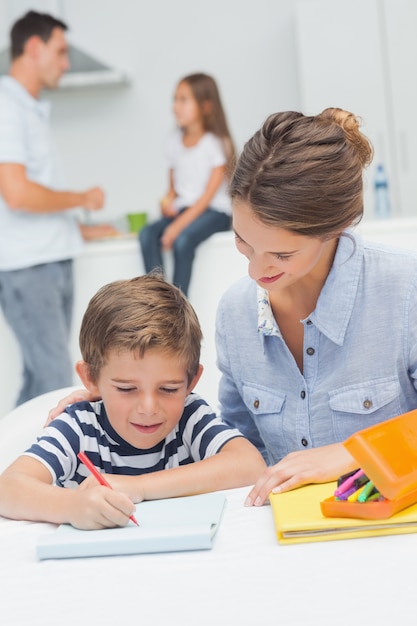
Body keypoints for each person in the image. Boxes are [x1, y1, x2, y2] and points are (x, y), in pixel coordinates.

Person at [50, 108, 417, 510]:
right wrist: (109, 406)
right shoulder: (237, 312)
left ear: (336, 227)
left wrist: (352, 453)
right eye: (243, 241)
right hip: (280, 535)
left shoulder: (404, 289)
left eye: (282, 253)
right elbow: (237, 451)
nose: (256, 270)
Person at [0, 273, 266, 529]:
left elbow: (250, 465)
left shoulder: (189, 416)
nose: (149, 408)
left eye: (169, 389)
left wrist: (139, 487)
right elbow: (7, 489)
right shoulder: (79, 426)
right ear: (90, 378)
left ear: (191, 381)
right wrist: (72, 506)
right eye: (127, 389)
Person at [0, 10, 116, 407]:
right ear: (34, 47)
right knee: (50, 378)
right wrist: (81, 200)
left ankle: (11, 465)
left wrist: (78, 228)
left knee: (39, 380)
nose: (66, 63)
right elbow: (15, 193)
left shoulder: (28, 108)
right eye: (60, 51)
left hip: (49, 258)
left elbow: (31, 195)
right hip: (29, 266)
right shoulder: (6, 106)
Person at [139, 72, 235, 296]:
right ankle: (158, 300)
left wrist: (175, 227)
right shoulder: (173, 143)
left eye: (183, 100)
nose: (175, 106)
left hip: (214, 212)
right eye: (175, 99)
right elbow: (173, 189)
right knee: (146, 234)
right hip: (185, 211)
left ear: (206, 106)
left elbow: (206, 198)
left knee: (183, 241)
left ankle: (179, 307)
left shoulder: (216, 144)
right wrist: (167, 203)